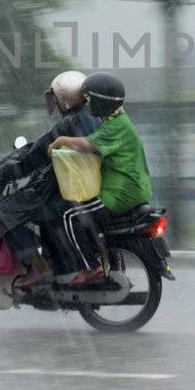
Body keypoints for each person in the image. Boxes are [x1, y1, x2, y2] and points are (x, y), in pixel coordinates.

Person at [0, 70, 99, 282]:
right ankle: (56, 264)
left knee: (1, 211)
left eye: (56, 98)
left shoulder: (68, 125)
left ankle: (38, 267)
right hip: (80, 189)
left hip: (59, 193)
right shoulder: (91, 119)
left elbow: (32, 156)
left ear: (64, 99)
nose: (54, 102)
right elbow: (35, 149)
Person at [47, 72, 153, 286]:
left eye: (89, 99)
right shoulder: (117, 120)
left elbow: (88, 144)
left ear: (101, 102)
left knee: (69, 217)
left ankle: (89, 270)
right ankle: (113, 264)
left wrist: (59, 141)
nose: (87, 103)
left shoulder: (116, 126)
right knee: (87, 217)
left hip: (120, 193)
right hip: (129, 189)